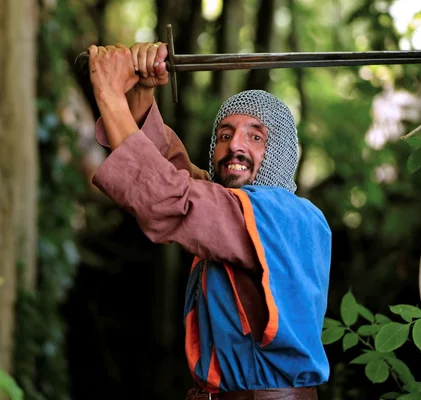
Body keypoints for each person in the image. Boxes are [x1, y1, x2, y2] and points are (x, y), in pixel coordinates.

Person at [87, 42, 332, 400]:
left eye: (255, 136)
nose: (235, 146)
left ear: (279, 153)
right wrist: (137, 97)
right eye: (225, 134)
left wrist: (108, 93)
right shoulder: (239, 210)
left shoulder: (279, 215)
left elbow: (168, 197)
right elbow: (175, 177)